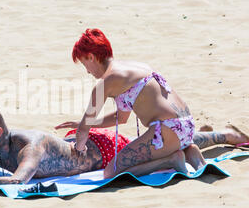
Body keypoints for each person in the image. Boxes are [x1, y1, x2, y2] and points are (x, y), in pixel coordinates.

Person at [0, 100, 249, 189]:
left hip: (105, 148)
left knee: (176, 139)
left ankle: (225, 135)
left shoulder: (29, 146)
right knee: (174, 139)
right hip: (78, 144)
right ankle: (207, 135)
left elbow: (20, 179)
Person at [55, 28, 210, 179]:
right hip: (187, 124)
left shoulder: (105, 83)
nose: (87, 72)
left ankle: (171, 160)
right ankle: (190, 152)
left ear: (91, 57)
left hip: (168, 128)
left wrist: (78, 150)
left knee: (110, 173)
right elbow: (120, 118)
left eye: (84, 65)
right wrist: (84, 123)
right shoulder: (134, 67)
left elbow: (83, 131)